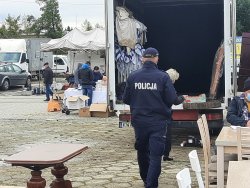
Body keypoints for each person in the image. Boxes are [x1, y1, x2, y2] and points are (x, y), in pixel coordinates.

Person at [123, 47, 180, 188]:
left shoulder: (133, 76)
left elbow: (125, 99)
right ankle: (151, 184)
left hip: (139, 122)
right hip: (158, 123)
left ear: (142, 58)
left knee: (142, 152)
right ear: (156, 58)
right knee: (155, 156)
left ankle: (145, 180)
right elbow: (173, 99)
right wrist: (182, 98)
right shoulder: (163, 77)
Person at [163, 68, 185, 161]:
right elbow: (175, 101)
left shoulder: (157, 81)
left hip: (153, 113)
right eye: (174, 80)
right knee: (167, 135)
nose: (174, 82)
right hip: (165, 114)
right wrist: (182, 97)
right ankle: (165, 155)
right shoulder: (168, 84)